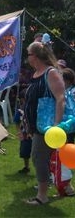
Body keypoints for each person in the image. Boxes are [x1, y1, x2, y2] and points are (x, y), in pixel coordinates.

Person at [22, 41, 65, 205]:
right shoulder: (36, 73)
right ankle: (56, 187)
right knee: (42, 158)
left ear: (36, 56)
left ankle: (42, 196)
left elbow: (61, 98)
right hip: (37, 125)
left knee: (38, 157)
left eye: (29, 54)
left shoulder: (50, 72)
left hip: (48, 126)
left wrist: (56, 125)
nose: (27, 58)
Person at [13, 95, 32, 174]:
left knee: (38, 154)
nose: (23, 102)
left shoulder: (34, 109)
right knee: (24, 152)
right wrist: (19, 132)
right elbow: (17, 122)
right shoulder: (20, 111)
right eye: (22, 101)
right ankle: (26, 167)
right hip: (24, 135)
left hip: (34, 134)